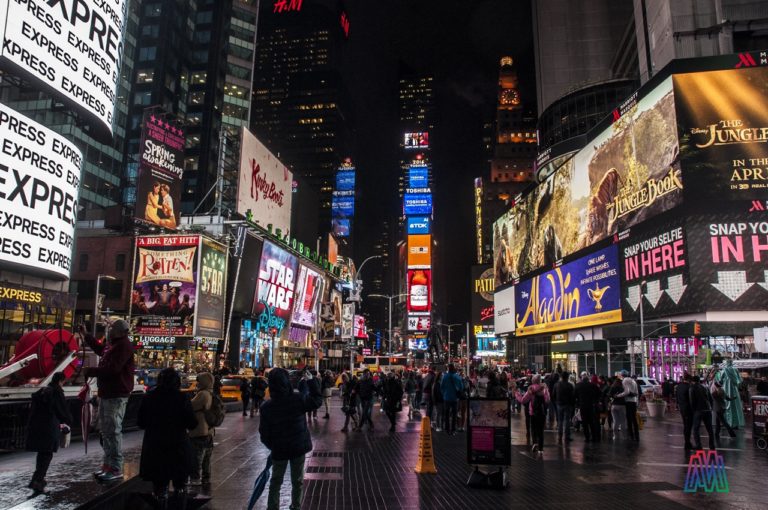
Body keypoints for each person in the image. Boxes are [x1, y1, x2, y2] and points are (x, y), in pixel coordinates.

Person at [259, 368, 322, 510]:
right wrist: (311, 381)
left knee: (276, 481)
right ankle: (296, 506)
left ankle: (273, 507)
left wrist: (273, 446)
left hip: (279, 449)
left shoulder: (267, 407)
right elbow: (317, 401)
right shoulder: (298, 399)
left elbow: (264, 433)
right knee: (297, 481)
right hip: (297, 448)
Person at [81, 320, 135, 482]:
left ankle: (115, 467)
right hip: (108, 393)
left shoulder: (123, 346)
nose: (109, 331)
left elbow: (113, 368)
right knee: (106, 432)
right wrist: (86, 336)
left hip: (116, 394)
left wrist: (91, 371)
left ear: (118, 331)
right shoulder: (115, 345)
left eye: (111, 328)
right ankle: (108, 465)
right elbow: (101, 350)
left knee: (112, 431)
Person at [137, 368, 197, 505]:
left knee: (159, 487)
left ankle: (160, 501)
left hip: (155, 448)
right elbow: (192, 423)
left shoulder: (149, 397)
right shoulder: (182, 398)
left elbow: (141, 422)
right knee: (180, 486)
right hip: (178, 448)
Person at [25, 372, 73, 492]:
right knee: (47, 454)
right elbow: (61, 409)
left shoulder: (43, 390)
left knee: (42, 453)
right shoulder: (56, 391)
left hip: (38, 426)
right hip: (49, 427)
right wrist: (68, 421)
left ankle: (37, 479)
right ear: (61, 381)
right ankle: (38, 480)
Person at [189, 372, 214, 486]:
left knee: (197, 456)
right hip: (209, 430)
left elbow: (191, 406)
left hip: (200, 430)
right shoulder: (210, 392)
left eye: (199, 381)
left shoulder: (203, 394)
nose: (197, 383)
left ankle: (195, 479)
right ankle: (206, 477)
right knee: (207, 457)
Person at [519, 374, 549, 453]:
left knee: (533, 429)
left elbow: (523, 400)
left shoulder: (531, 388)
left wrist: (517, 394)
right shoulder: (544, 388)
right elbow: (547, 400)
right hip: (542, 412)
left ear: (533, 380)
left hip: (533, 412)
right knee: (541, 430)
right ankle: (541, 449)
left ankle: (535, 443)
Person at [689, 375, 716, 450]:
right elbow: (711, 399)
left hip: (698, 410)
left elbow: (692, 400)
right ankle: (712, 445)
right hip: (707, 409)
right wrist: (711, 407)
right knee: (710, 429)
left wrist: (693, 410)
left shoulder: (692, 388)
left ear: (693, 381)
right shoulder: (705, 387)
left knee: (696, 429)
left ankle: (699, 445)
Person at [575, 372, 600, 442]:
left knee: (584, 422)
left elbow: (574, 395)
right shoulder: (593, 385)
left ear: (581, 378)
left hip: (582, 405)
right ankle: (594, 436)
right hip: (591, 405)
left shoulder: (578, 385)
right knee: (592, 421)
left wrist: (578, 402)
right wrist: (595, 400)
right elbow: (599, 393)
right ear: (588, 379)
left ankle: (587, 437)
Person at [617, 370, 640, 442]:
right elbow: (637, 393)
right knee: (634, 419)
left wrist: (618, 395)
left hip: (628, 402)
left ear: (622, 375)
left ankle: (631, 436)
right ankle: (637, 436)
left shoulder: (625, 380)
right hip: (634, 401)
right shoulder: (633, 381)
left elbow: (626, 392)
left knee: (629, 419)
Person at [440, 364, 463, 435]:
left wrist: (444, 394)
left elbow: (441, 387)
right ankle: (453, 430)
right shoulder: (458, 377)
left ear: (448, 369)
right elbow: (461, 387)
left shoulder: (445, 376)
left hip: (446, 398)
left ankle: (447, 429)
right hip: (455, 398)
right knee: (454, 415)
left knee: (446, 414)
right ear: (454, 369)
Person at [553, 370, 574, 444]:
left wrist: (556, 401)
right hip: (567, 404)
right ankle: (567, 436)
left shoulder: (556, 385)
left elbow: (553, 394)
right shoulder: (570, 385)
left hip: (559, 404)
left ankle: (560, 435)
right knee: (567, 421)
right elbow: (572, 396)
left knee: (560, 421)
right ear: (567, 377)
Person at [675, 374, 694, 449]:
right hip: (688, 409)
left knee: (686, 425)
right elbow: (691, 399)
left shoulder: (679, 386)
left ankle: (687, 442)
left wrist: (678, 405)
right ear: (689, 379)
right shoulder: (689, 387)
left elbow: (676, 397)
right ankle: (687, 443)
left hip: (682, 408)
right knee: (688, 426)